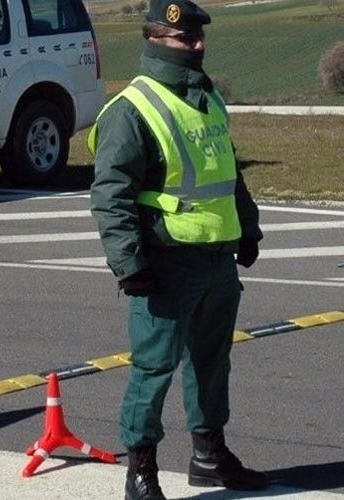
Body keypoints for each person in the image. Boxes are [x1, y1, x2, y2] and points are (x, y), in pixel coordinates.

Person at [87, 0, 269, 498]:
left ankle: (210, 456)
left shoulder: (208, 99)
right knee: (153, 369)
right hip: (165, 263)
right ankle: (140, 470)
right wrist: (129, 264)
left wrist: (247, 228)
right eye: (186, 39)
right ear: (155, 39)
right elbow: (110, 194)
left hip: (216, 258)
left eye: (199, 37)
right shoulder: (132, 108)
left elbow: (227, 173)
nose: (198, 45)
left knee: (213, 362)